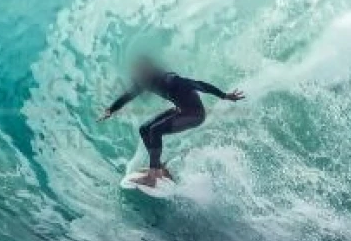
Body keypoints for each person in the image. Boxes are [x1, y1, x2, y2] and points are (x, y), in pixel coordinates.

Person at [98, 56, 244, 187]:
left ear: (150, 71)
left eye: (141, 72)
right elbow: (129, 95)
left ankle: (152, 177)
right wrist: (111, 109)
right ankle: (159, 168)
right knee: (144, 129)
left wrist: (224, 95)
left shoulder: (170, 80)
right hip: (181, 110)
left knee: (155, 130)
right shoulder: (145, 82)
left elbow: (199, 85)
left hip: (195, 115)